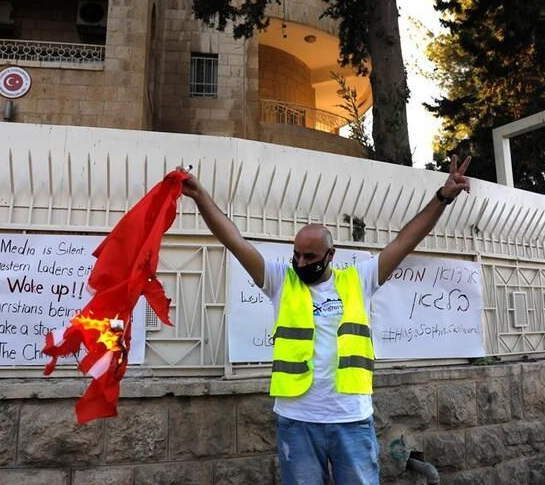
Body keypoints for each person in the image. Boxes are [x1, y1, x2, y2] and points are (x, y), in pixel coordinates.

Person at [177, 155, 471, 485]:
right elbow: (234, 240)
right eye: (297, 254)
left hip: (351, 418)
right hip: (297, 420)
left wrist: (442, 198)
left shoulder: (358, 280)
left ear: (331, 255)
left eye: (310, 256)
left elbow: (405, 241)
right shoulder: (279, 281)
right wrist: (201, 196)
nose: (301, 262)